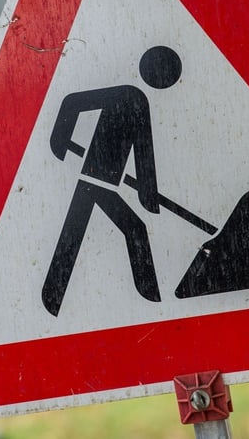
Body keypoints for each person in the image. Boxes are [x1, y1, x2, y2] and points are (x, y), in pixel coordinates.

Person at [41, 46, 182, 316]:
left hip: (102, 183)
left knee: (77, 234)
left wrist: (147, 193)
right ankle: (153, 304)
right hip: (93, 181)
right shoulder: (129, 95)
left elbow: (143, 153)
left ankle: (51, 298)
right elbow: (72, 102)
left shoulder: (138, 100)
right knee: (133, 230)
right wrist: (59, 139)